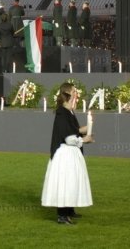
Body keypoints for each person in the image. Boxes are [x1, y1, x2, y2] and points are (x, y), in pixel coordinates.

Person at [41, 82, 93, 225]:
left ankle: (69, 210)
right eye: (74, 92)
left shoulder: (69, 112)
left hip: (71, 153)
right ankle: (62, 215)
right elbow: (69, 138)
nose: (76, 94)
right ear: (68, 94)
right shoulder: (62, 114)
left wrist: (88, 126)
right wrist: (85, 140)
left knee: (72, 181)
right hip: (64, 154)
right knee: (66, 182)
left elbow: (74, 130)